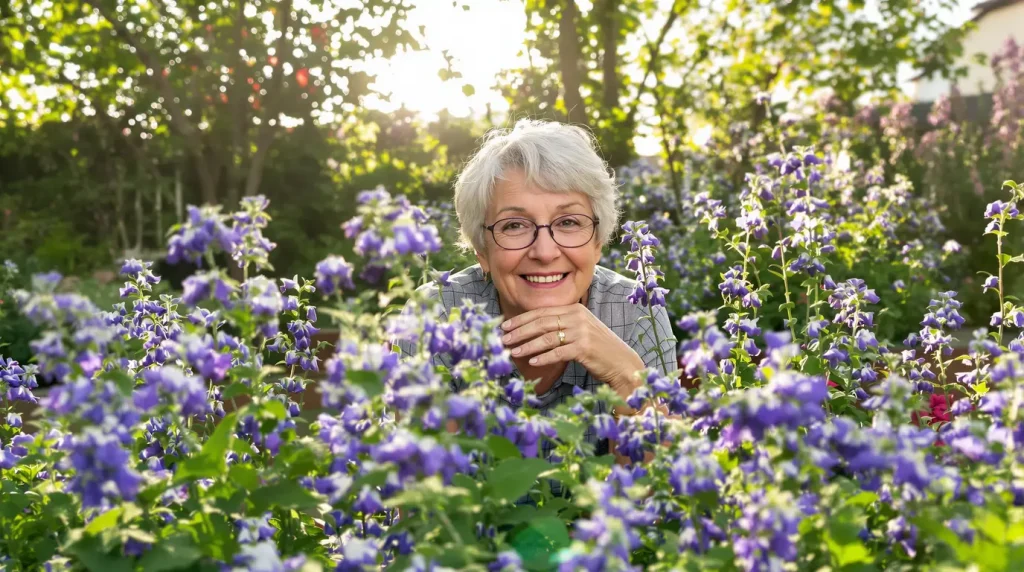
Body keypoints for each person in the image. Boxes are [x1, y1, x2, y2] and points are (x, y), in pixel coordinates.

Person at [397, 119, 677, 460]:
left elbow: (648, 496)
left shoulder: (635, 309)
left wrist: (627, 377)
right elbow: (428, 499)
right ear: (481, 250)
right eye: (514, 225)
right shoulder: (437, 314)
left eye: (568, 222)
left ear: (599, 243)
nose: (545, 252)